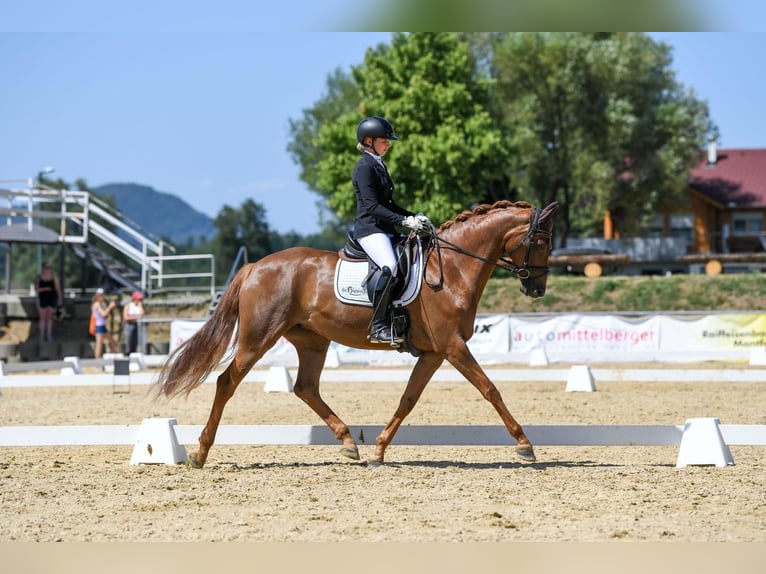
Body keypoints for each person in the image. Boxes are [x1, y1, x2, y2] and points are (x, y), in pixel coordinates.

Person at [352, 116, 431, 344]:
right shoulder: (364, 168)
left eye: (388, 141)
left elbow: (388, 204)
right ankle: (378, 326)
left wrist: (412, 216)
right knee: (391, 266)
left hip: (384, 228)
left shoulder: (378, 164)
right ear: (368, 141)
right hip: (370, 230)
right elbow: (373, 207)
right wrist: (404, 222)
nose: (388, 144)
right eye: (384, 140)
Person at [33, 261, 63, 343]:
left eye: (49, 268)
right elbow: (36, 289)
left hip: (52, 299)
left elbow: (58, 289)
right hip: (42, 299)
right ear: (43, 269)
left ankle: (49, 335)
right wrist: (45, 289)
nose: (48, 269)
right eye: (46, 268)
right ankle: (42, 336)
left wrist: (60, 300)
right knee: (42, 318)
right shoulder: (38, 278)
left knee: (50, 318)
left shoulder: (54, 277)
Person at [92, 288, 118, 358]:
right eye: (101, 295)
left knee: (113, 343)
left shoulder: (101, 304)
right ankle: (97, 362)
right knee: (99, 345)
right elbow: (103, 314)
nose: (103, 297)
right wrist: (110, 307)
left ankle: (109, 358)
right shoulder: (97, 304)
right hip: (99, 326)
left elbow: (105, 315)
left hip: (103, 326)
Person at [122, 290, 145, 355]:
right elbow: (126, 317)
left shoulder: (139, 306)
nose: (140, 300)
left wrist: (140, 306)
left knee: (136, 343)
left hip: (137, 325)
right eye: (139, 299)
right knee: (129, 343)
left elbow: (142, 314)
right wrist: (136, 317)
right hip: (129, 325)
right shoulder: (128, 306)